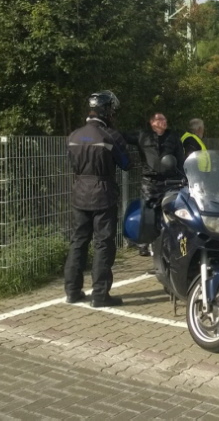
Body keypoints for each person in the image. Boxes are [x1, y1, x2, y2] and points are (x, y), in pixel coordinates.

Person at [65, 90, 132, 307]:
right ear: (107, 111)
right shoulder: (111, 136)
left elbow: (72, 163)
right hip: (103, 194)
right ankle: (100, 295)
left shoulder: (74, 136)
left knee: (78, 242)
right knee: (103, 244)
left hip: (79, 193)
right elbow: (126, 164)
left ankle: (72, 291)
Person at [125, 112, 186, 255]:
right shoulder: (142, 136)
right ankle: (144, 244)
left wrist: (184, 177)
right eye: (159, 119)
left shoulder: (173, 137)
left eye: (164, 119)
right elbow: (120, 137)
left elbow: (180, 158)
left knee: (175, 210)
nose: (163, 121)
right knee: (148, 211)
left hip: (171, 181)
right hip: (150, 181)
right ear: (152, 122)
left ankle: (175, 241)